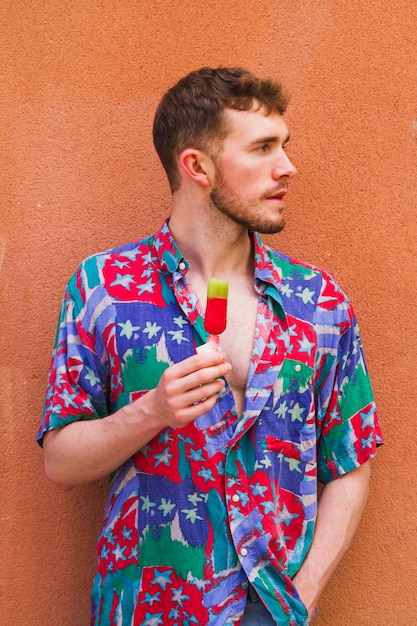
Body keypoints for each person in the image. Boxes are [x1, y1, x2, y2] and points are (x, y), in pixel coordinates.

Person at [38, 67, 384, 626]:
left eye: (284, 146)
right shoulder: (103, 288)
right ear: (197, 166)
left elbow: (351, 457)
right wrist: (151, 412)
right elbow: (60, 461)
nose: (287, 166)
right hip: (151, 609)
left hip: (274, 607)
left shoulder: (316, 301)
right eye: (263, 148)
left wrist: (303, 594)